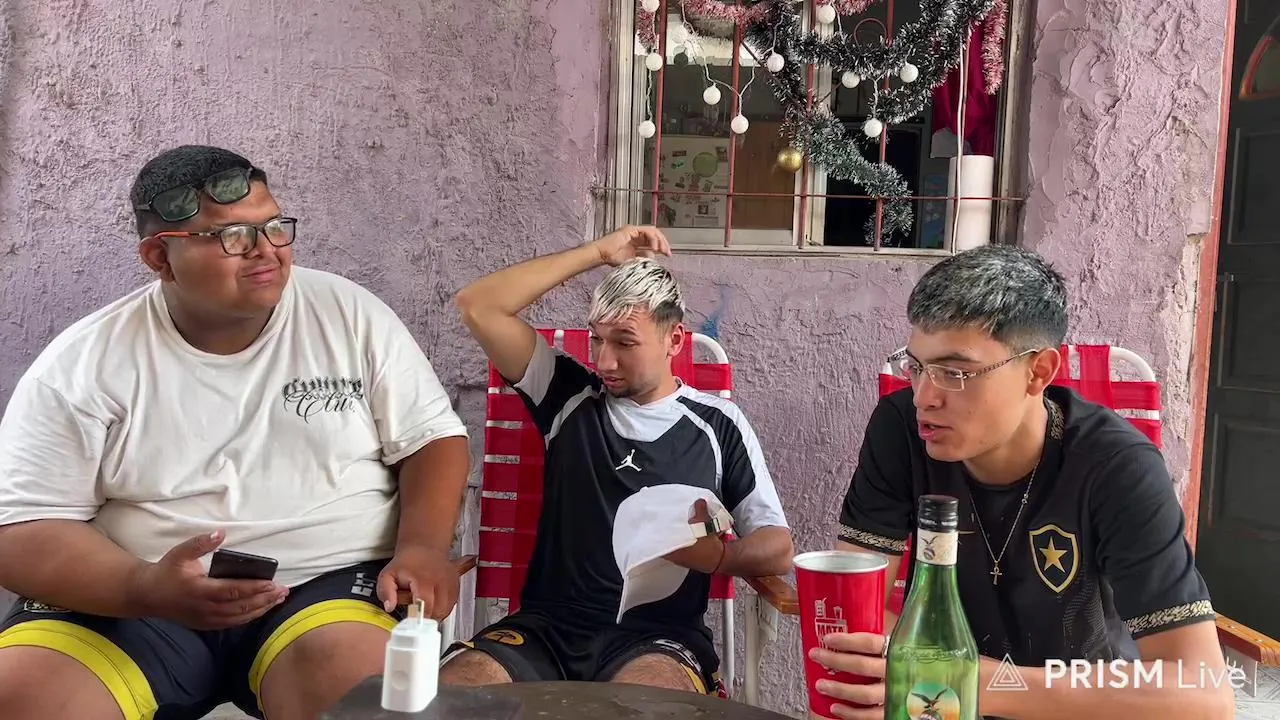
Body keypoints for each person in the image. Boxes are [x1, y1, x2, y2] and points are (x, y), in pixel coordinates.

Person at [0, 145, 471, 720]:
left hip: (324, 582)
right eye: (230, 236)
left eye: (273, 226)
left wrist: (422, 547)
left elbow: (431, 439)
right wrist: (144, 587)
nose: (265, 249)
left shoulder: (348, 314)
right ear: (160, 257)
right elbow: (21, 529)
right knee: (22, 699)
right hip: (133, 592)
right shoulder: (83, 363)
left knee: (366, 705)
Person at [818, 245, 1234, 720]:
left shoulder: (1117, 466)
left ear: (1038, 372)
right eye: (916, 367)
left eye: (955, 373)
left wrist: (962, 679)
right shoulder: (901, 430)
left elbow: (1204, 696)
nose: (924, 397)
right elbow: (856, 608)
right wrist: (928, 677)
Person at [446, 225, 793, 694]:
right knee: (456, 691)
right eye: (597, 340)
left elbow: (777, 546)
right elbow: (478, 305)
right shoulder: (566, 395)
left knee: (643, 703)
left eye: (625, 342)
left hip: (659, 639)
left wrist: (720, 557)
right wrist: (597, 252)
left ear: (674, 340)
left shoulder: (717, 424)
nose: (604, 362)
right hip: (546, 631)